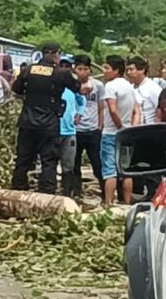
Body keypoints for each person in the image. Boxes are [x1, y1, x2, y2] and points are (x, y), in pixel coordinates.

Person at [10, 42, 82, 194]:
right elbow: (77, 87)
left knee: (23, 159)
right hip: (48, 124)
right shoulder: (60, 73)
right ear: (56, 54)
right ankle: (47, 193)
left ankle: (17, 190)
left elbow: (16, 88)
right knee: (48, 161)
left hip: (27, 122)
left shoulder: (28, 69)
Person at [101, 55, 141, 206]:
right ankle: (127, 202)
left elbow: (112, 109)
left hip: (111, 133)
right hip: (127, 134)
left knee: (110, 170)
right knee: (126, 170)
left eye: (107, 68)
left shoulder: (110, 86)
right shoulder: (129, 86)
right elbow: (136, 110)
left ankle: (109, 203)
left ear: (116, 70)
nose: (104, 71)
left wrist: (119, 127)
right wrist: (130, 128)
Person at [72, 54, 104, 198]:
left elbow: (101, 106)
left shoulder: (98, 85)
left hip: (92, 129)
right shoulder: (71, 84)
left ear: (90, 70)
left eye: (86, 69)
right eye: (80, 69)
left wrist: (100, 126)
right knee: (74, 163)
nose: (83, 72)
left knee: (96, 162)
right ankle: (76, 192)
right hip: (75, 129)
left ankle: (105, 191)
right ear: (75, 69)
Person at [58, 56, 84, 197]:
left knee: (69, 165)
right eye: (62, 66)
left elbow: (82, 100)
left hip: (69, 131)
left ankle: (67, 192)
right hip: (53, 130)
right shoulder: (52, 85)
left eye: (67, 66)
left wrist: (79, 114)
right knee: (49, 163)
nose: (65, 69)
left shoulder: (73, 88)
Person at [127, 56, 162, 125]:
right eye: (127, 70)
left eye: (131, 69)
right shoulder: (129, 88)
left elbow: (160, 110)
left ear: (142, 70)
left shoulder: (152, 88)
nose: (128, 73)